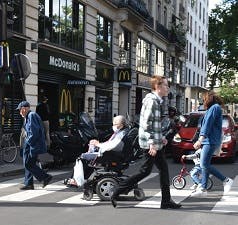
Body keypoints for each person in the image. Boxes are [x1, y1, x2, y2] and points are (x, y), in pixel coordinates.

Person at [110, 75, 181, 209]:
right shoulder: (152, 102)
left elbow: (154, 125)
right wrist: (152, 143)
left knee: (163, 170)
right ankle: (117, 191)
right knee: (144, 171)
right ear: (158, 87)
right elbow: (146, 124)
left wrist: (161, 138)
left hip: (156, 142)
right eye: (166, 85)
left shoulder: (156, 101)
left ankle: (166, 201)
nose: (168, 88)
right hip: (151, 144)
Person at [65, 115, 129, 186]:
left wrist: (98, 144)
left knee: (82, 158)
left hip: (110, 154)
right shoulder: (121, 132)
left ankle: (76, 180)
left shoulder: (121, 134)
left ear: (122, 125)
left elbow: (111, 146)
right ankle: (81, 179)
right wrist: (97, 144)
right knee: (88, 158)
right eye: (113, 124)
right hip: (111, 153)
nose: (113, 126)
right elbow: (110, 144)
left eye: (115, 124)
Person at [191, 91, 233, 197]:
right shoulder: (213, 108)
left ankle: (226, 180)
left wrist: (200, 139)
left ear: (208, 99)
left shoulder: (214, 108)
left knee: (204, 164)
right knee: (205, 164)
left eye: (203, 99)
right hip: (208, 140)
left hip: (209, 141)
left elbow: (208, 125)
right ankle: (203, 188)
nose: (203, 102)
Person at [17, 100, 52, 190]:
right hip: (31, 144)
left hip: (32, 145)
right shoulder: (28, 116)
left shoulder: (32, 116)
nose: (19, 112)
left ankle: (45, 177)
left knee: (28, 163)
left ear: (24, 109)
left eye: (20, 110)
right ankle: (29, 183)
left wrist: (28, 143)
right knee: (29, 163)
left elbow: (33, 132)